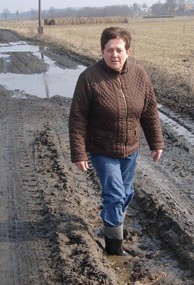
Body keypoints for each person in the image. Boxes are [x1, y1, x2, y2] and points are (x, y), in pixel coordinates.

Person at [69, 26, 164, 256]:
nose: (114, 55)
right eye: (109, 50)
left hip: (130, 148)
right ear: (102, 51)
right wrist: (79, 153)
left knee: (127, 193)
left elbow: (149, 111)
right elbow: (78, 118)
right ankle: (114, 248)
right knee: (115, 195)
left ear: (128, 51)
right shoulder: (89, 78)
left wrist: (156, 142)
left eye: (119, 50)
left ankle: (113, 224)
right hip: (102, 149)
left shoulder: (139, 75)